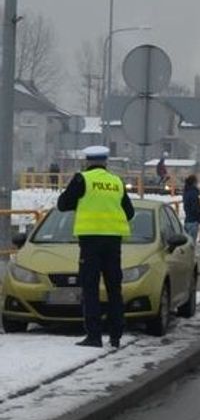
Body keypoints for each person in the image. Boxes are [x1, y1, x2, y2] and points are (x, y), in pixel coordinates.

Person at [56, 146, 135, 349]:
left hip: (90, 241)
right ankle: (116, 335)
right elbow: (130, 212)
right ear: (105, 162)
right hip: (113, 241)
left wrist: (82, 203)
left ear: (87, 162)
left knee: (90, 287)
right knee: (114, 288)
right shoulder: (116, 182)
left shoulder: (82, 179)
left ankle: (94, 336)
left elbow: (63, 204)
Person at [182, 174, 200, 242]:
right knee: (192, 243)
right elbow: (195, 207)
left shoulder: (186, 191)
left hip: (187, 219)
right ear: (194, 182)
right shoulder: (193, 192)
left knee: (187, 242)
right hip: (193, 221)